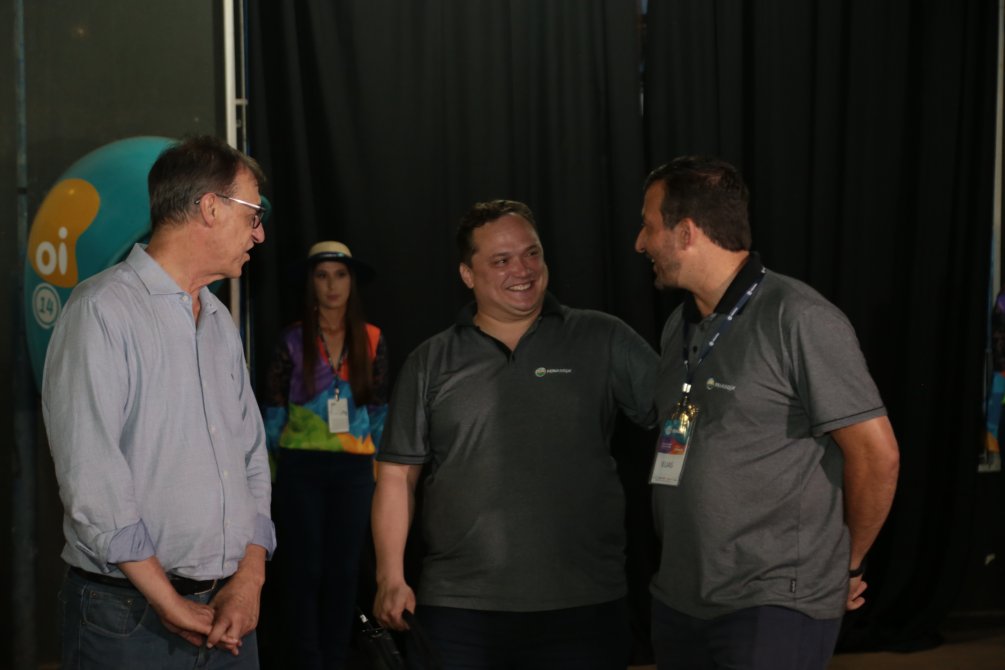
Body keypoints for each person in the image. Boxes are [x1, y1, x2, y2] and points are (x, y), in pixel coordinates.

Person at [635, 156, 900, 670]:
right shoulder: (678, 328)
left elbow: (877, 455)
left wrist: (845, 565)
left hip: (773, 603)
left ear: (686, 232)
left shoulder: (799, 318)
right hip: (680, 597)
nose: (640, 243)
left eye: (648, 226)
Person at [373, 199, 658, 669]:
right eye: (501, 260)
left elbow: (683, 416)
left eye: (532, 253)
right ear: (468, 274)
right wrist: (390, 576)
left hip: (584, 606)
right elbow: (396, 476)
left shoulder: (603, 338)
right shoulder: (431, 361)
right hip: (459, 609)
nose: (522, 270)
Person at [42, 135, 275, 669]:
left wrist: (249, 578)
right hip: (127, 620)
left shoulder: (219, 321)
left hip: (230, 613)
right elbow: (91, 477)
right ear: (210, 208)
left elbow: (251, 459)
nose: (259, 233)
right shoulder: (101, 311)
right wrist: (166, 599)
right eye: (253, 214)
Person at [263, 240, 388, 669]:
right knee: (304, 568)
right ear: (310, 283)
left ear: (352, 282)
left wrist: (379, 470)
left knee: (345, 569)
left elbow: (379, 410)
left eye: (340, 274)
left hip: (355, 469)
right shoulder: (292, 339)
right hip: (300, 467)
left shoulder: (372, 338)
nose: (332, 285)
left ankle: (335, 658)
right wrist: (272, 473)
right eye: (322, 275)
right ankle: (307, 659)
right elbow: (274, 410)